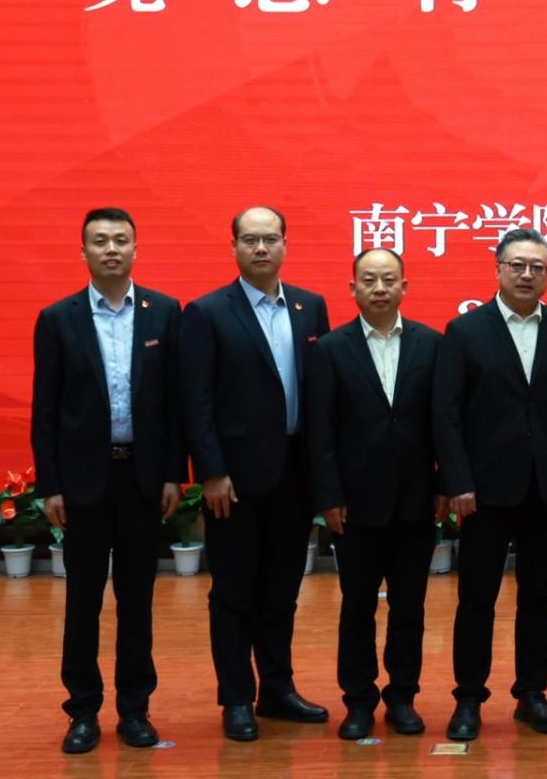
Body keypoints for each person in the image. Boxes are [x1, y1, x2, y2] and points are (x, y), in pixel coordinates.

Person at [30, 208, 185, 754]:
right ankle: (82, 710)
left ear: (136, 249)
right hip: (83, 483)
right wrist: (50, 485)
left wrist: (173, 474)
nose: (111, 249)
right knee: (83, 601)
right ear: (84, 252)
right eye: (100, 241)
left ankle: (135, 709)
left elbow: (174, 404)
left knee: (137, 600)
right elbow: (45, 411)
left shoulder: (164, 312)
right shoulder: (58, 318)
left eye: (121, 240)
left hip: (142, 479)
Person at [178, 207, 332, 741]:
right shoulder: (207, 312)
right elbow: (196, 400)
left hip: (295, 473)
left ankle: (277, 688)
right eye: (250, 240)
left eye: (270, 239)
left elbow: (322, 395)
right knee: (234, 591)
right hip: (234, 481)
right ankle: (237, 698)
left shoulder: (310, 307)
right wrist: (211, 472)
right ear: (234, 248)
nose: (261, 248)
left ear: (285, 244)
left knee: (282, 589)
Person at [433, 227, 547, 741]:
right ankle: (469, 697)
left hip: (545, 489)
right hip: (483, 492)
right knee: (476, 598)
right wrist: (457, 481)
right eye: (517, 265)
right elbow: (446, 414)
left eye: (537, 267)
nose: (527, 274)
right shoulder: (465, 331)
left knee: (538, 597)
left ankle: (531, 693)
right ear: (498, 269)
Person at [310, 248, 443, 740]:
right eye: (369, 280)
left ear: (404, 286)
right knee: (357, 607)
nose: (380, 288)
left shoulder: (431, 344)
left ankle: (402, 697)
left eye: (389, 279)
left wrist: (445, 484)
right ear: (353, 289)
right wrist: (329, 496)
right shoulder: (330, 349)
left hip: (416, 501)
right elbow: (320, 431)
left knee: (409, 607)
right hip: (356, 504)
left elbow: (443, 422)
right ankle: (359, 701)